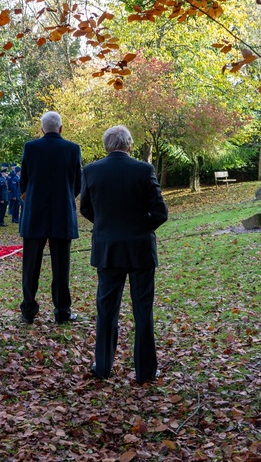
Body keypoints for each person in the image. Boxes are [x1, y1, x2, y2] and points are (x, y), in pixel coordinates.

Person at [81, 126, 168, 383]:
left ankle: (103, 366)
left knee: (106, 309)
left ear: (107, 145)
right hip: (140, 248)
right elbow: (160, 212)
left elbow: (86, 208)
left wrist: (106, 226)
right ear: (128, 145)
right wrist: (140, 228)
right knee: (143, 310)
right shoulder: (143, 170)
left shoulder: (91, 170)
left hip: (108, 248)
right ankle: (145, 371)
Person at [19, 110, 82, 325]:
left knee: (30, 267)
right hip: (62, 214)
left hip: (35, 214)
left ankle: (28, 310)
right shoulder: (73, 149)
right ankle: (62, 311)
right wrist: (63, 199)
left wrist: (33, 200)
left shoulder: (31, 147)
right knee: (61, 267)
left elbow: (24, 182)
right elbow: (77, 184)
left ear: (42, 129)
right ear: (61, 128)